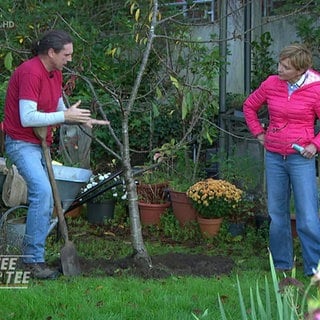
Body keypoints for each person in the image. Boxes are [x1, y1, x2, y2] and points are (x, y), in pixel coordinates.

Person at [3, 29, 109, 279]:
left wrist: (80, 119)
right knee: (42, 192)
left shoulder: (55, 73)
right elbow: (27, 117)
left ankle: (34, 254)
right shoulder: (30, 72)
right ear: (51, 52)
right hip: (21, 142)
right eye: (67, 54)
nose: (70, 59)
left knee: (47, 195)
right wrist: (65, 116)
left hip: (41, 142)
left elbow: (58, 107)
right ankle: (32, 260)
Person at [243, 43, 320, 276]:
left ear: (300, 70)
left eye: (285, 67)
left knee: (307, 216)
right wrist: (258, 133)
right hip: (274, 156)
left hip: (300, 159)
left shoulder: (316, 88)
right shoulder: (271, 83)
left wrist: (314, 146)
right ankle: (282, 264)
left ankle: (314, 269)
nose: (279, 70)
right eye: (280, 64)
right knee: (277, 215)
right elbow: (249, 106)